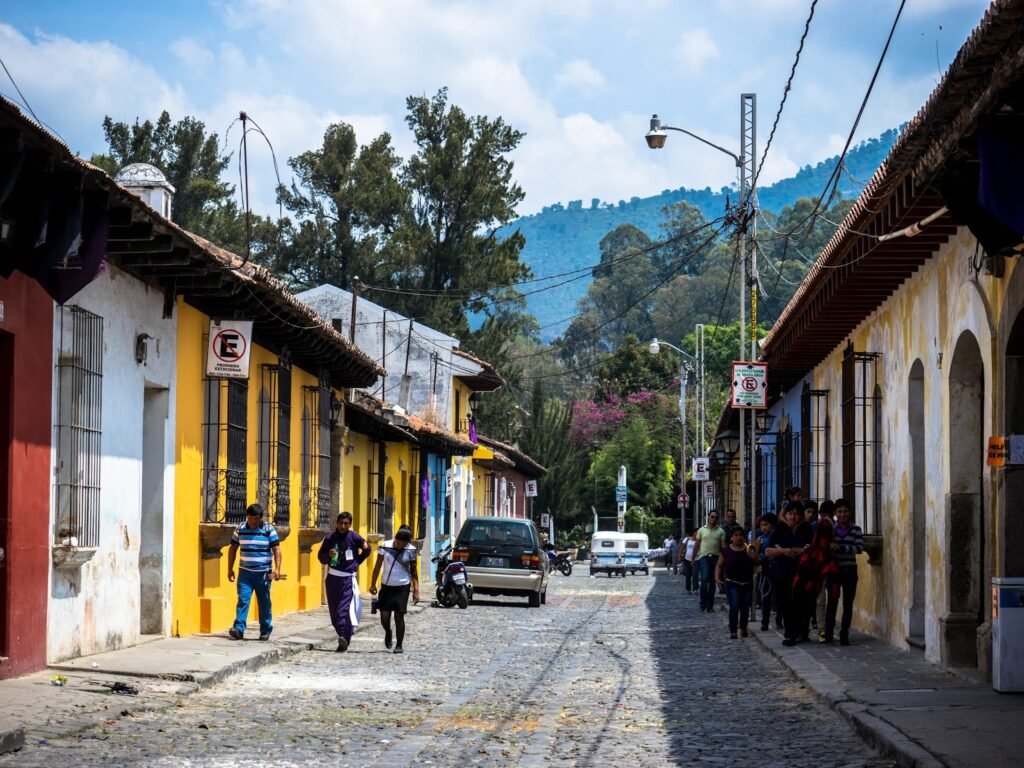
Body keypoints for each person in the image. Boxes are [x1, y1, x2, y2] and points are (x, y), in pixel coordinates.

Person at [318, 512, 372, 652]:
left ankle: (343, 634)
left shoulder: (354, 537)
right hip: (332, 579)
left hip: (347, 579)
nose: (343, 526)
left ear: (350, 524)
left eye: (346, 523)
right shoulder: (330, 538)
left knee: (343, 609)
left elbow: (367, 550)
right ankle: (344, 637)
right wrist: (328, 556)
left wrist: (356, 562)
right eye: (341, 523)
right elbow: (321, 557)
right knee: (334, 611)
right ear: (336, 523)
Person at [227, 503, 281, 641]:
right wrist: (230, 569)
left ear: (260, 518)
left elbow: (276, 550)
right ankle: (238, 628)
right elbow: (233, 548)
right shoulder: (240, 528)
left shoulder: (269, 529)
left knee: (264, 602)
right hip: (245, 572)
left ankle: (265, 629)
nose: (253, 522)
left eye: (256, 519)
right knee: (243, 600)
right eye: (251, 518)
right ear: (247, 517)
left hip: (263, 573)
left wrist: (277, 569)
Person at [370, 525, 419, 654]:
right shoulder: (385, 546)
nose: (399, 546)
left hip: (403, 586)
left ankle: (399, 644)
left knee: (399, 616)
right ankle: (388, 631)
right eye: (398, 543)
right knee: (384, 617)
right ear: (395, 538)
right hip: (386, 586)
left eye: (403, 544)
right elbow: (377, 566)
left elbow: (414, 571)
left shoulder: (411, 550)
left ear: (407, 543)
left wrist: (416, 590)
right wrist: (373, 584)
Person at [765, 502, 806, 646]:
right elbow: (768, 551)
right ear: (785, 515)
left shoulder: (806, 529)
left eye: (796, 514)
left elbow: (814, 547)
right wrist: (784, 551)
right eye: (790, 513)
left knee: (800, 602)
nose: (793, 517)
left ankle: (800, 631)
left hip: (802, 572)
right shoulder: (780, 529)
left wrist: (802, 551)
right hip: (783, 571)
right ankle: (790, 634)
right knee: (786, 603)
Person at [825, 498, 863, 645]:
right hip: (834, 572)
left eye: (845, 511)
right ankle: (828, 633)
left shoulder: (856, 530)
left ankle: (844, 634)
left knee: (848, 604)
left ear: (850, 512)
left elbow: (859, 548)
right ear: (835, 513)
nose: (842, 514)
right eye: (839, 512)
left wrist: (841, 548)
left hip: (850, 571)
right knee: (832, 602)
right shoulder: (831, 530)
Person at [716, 526, 758, 638]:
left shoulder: (749, 548)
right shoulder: (726, 551)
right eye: (736, 535)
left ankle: (743, 628)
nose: (739, 537)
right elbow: (719, 565)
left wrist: (753, 557)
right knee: (734, 606)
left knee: (745, 607)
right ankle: (733, 630)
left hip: (747, 583)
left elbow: (757, 562)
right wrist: (717, 578)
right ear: (731, 537)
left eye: (741, 535)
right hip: (732, 583)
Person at [692, 511, 726, 612]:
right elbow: (697, 545)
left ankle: (710, 605)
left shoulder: (721, 531)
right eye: (712, 517)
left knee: (712, 582)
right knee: (704, 579)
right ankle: (703, 603)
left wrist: (727, 557)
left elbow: (723, 546)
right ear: (708, 517)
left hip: (716, 558)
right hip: (704, 558)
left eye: (716, 517)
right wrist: (693, 558)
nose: (714, 519)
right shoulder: (701, 530)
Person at [754, 513, 778, 631]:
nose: (764, 527)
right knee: (766, 596)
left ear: (771, 525)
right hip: (765, 571)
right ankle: (765, 622)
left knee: (779, 596)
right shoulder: (760, 539)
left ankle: (779, 619)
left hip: (777, 569)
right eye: (762, 525)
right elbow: (757, 556)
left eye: (766, 525)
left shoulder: (776, 536)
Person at [681, 529, 699, 593]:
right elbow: (682, 547)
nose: (697, 534)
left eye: (698, 533)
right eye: (696, 533)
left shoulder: (700, 541)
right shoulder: (687, 539)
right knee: (688, 575)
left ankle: (695, 588)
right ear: (693, 533)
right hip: (687, 559)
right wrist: (679, 556)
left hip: (696, 560)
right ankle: (688, 588)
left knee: (695, 575)